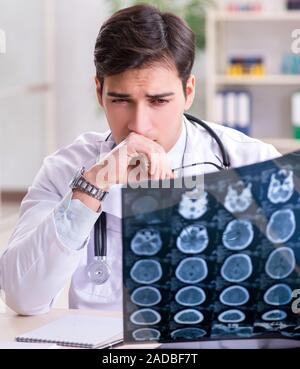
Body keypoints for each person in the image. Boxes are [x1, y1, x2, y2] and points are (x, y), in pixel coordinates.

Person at [0, 4, 283, 348]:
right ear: (99, 91)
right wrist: (92, 187)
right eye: (121, 100)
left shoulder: (250, 162)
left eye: (159, 101)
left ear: (188, 91)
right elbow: (22, 297)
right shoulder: (65, 170)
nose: (139, 125)